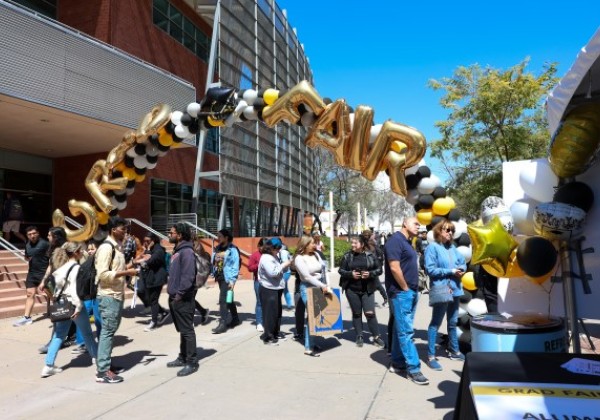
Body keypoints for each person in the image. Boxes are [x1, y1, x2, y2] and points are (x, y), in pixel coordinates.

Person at [41, 242, 98, 377]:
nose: (83, 252)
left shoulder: (59, 269)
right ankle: (97, 358)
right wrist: (78, 307)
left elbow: (49, 287)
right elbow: (74, 289)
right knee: (87, 333)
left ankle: (48, 365)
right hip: (73, 303)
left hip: (61, 303)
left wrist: (55, 299)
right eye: (81, 250)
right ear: (76, 252)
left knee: (58, 335)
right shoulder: (76, 268)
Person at [384, 217, 429, 385]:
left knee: (399, 329)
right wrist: (404, 288)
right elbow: (394, 267)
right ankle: (414, 369)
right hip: (402, 293)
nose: (419, 226)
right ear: (404, 224)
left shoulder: (407, 241)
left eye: (419, 224)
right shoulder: (395, 241)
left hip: (410, 292)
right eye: (415, 223)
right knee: (406, 332)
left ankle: (397, 362)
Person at [95, 216, 138, 384]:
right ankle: (103, 371)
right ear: (113, 230)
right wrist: (127, 273)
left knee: (110, 332)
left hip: (116, 295)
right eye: (123, 229)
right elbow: (103, 274)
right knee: (107, 332)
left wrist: (130, 268)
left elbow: (115, 269)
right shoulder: (106, 248)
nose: (125, 232)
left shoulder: (117, 247)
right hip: (109, 296)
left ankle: (107, 364)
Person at [424, 220, 467, 371]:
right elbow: (430, 270)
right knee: (435, 323)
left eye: (452, 230)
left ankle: (454, 350)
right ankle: (430, 356)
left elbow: (462, 262)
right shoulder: (432, 248)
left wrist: (462, 268)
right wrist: (450, 271)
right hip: (442, 290)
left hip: (455, 289)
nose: (450, 232)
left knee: (453, 322)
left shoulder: (453, 248)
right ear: (438, 232)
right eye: (446, 230)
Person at [338, 235, 385, 348]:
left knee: (370, 313)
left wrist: (370, 274)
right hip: (352, 289)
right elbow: (341, 270)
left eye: (355, 243)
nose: (352, 245)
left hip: (368, 289)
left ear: (362, 244)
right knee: (357, 313)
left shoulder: (370, 256)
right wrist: (351, 274)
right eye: (352, 243)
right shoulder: (347, 256)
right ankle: (359, 336)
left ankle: (376, 337)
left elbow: (379, 270)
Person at [166, 222, 200, 376]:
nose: (169, 234)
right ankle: (183, 356)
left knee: (187, 330)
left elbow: (188, 277)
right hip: (175, 297)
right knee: (182, 330)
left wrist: (179, 295)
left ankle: (192, 362)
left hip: (183, 298)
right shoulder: (178, 251)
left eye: (171, 232)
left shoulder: (186, 252)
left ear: (179, 235)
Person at [294, 235, 331, 357]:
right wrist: (322, 285)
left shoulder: (316, 255)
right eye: (311, 243)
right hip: (307, 288)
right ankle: (308, 347)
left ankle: (311, 341)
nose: (314, 245)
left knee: (315, 316)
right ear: (305, 245)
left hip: (320, 287)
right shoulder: (299, 258)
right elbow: (306, 277)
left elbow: (324, 269)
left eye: (314, 243)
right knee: (312, 316)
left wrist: (327, 284)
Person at [258, 238, 292, 345]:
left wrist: (286, 264)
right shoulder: (266, 258)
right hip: (268, 289)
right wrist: (284, 265)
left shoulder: (274, 256)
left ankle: (275, 332)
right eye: (277, 249)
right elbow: (273, 272)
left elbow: (280, 270)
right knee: (270, 314)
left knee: (276, 313)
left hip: (276, 288)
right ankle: (268, 336)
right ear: (271, 248)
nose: (278, 251)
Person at [13, 226, 49, 326]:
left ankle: (62, 313)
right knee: (30, 294)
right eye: (29, 234)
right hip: (32, 273)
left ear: (38, 233)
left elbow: (51, 260)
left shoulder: (45, 244)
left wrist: (48, 274)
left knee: (52, 295)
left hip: (44, 273)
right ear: (27, 236)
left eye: (34, 233)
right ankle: (27, 317)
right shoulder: (27, 244)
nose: (32, 236)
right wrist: (28, 258)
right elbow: (27, 256)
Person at [135, 232, 169, 332]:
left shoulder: (158, 250)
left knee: (153, 300)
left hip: (157, 278)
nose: (145, 243)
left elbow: (149, 262)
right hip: (150, 278)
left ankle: (154, 322)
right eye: (144, 241)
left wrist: (141, 260)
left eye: (148, 241)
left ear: (153, 241)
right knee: (151, 299)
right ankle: (163, 312)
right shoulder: (152, 249)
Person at [211, 229, 240, 334]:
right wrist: (215, 260)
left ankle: (223, 323)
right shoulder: (217, 248)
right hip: (219, 276)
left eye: (220, 236)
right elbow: (213, 261)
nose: (218, 238)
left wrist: (232, 280)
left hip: (227, 278)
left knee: (223, 299)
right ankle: (235, 319)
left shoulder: (233, 250)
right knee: (229, 298)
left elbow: (235, 266)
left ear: (226, 237)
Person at [248, 237, 268, 332]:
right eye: (263, 247)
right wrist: (258, 264)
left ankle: (267, 321)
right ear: (259, 246)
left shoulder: (270, 255)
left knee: (268, 302)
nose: (264, 249)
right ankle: (259, 322)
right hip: (258, 282)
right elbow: (250, 268)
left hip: (269, 282)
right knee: (260, 302)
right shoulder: (255, 255)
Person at [192, 238, 211, 325]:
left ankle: (190, 320)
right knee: (189, 299)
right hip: (189, 277)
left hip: (193, 278)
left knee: (189, 299)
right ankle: (203, 311)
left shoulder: (196, 246)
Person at [279, 240, 294, 310]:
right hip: (286, 272)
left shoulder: (283, 252)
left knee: (280, 288)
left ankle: (280, 304)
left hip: (285, 272)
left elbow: (285, 262)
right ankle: (289, 304)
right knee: (285, 289)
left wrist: (279, 267)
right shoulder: (285, 251)